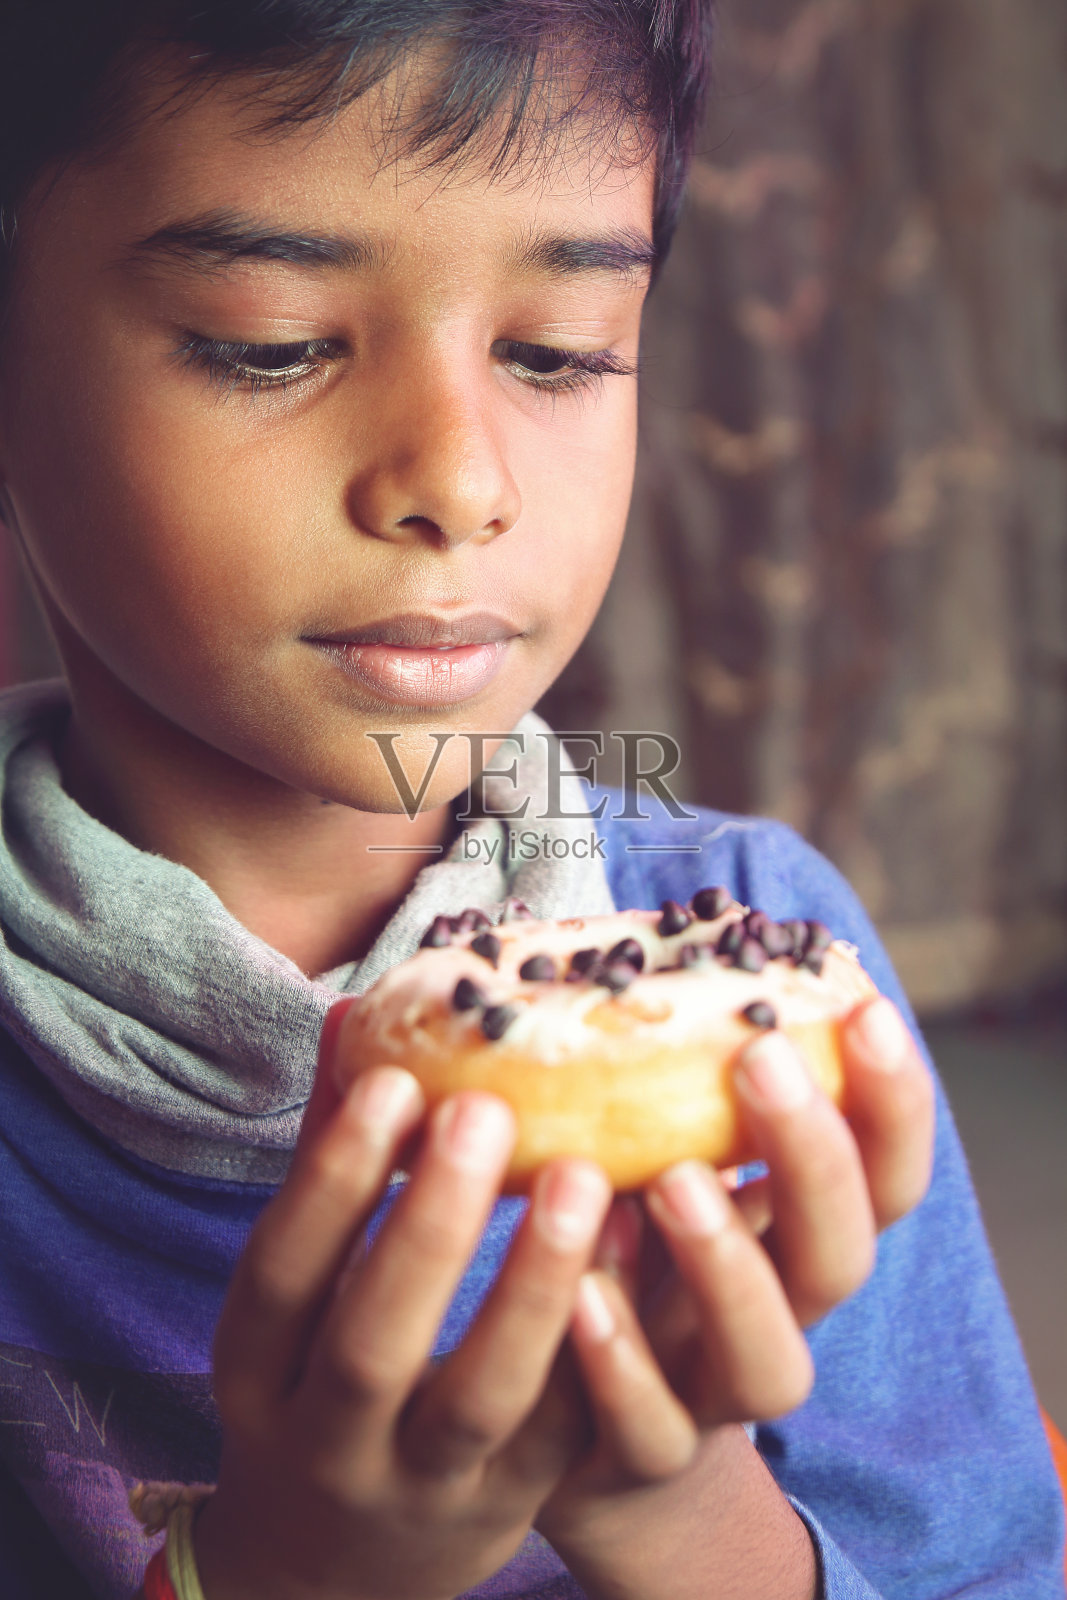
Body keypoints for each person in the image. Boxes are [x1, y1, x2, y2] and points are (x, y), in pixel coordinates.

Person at [0, 3, 1061, 1597]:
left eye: (554, 354)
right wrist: (285, 1571)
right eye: (272, 339)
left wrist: (672, 1502)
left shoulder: (769, 961)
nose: (462, 478)